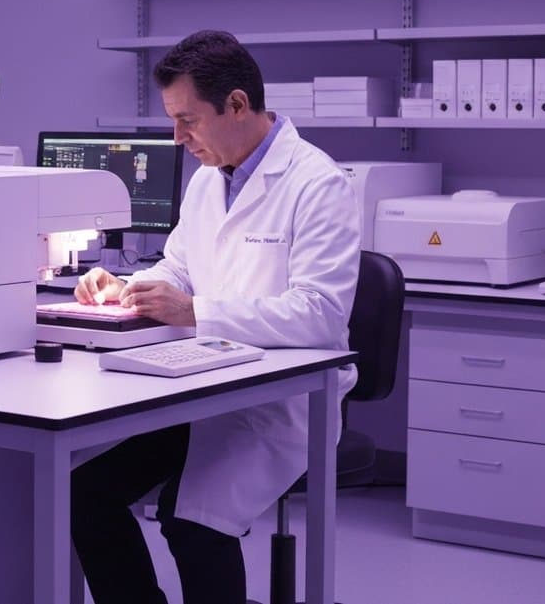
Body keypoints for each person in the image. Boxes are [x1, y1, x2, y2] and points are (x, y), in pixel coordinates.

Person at [70, 30, 361, 604]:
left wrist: (194, 311)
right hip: (202, 391)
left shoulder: (317, 183)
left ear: (235, 104)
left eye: (188, 120)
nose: (178, 138)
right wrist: (129, 288)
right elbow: (179, 268)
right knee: (83, 493)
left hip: (279, 403)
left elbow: (321, 316)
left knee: (192, 524)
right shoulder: (208, 181)